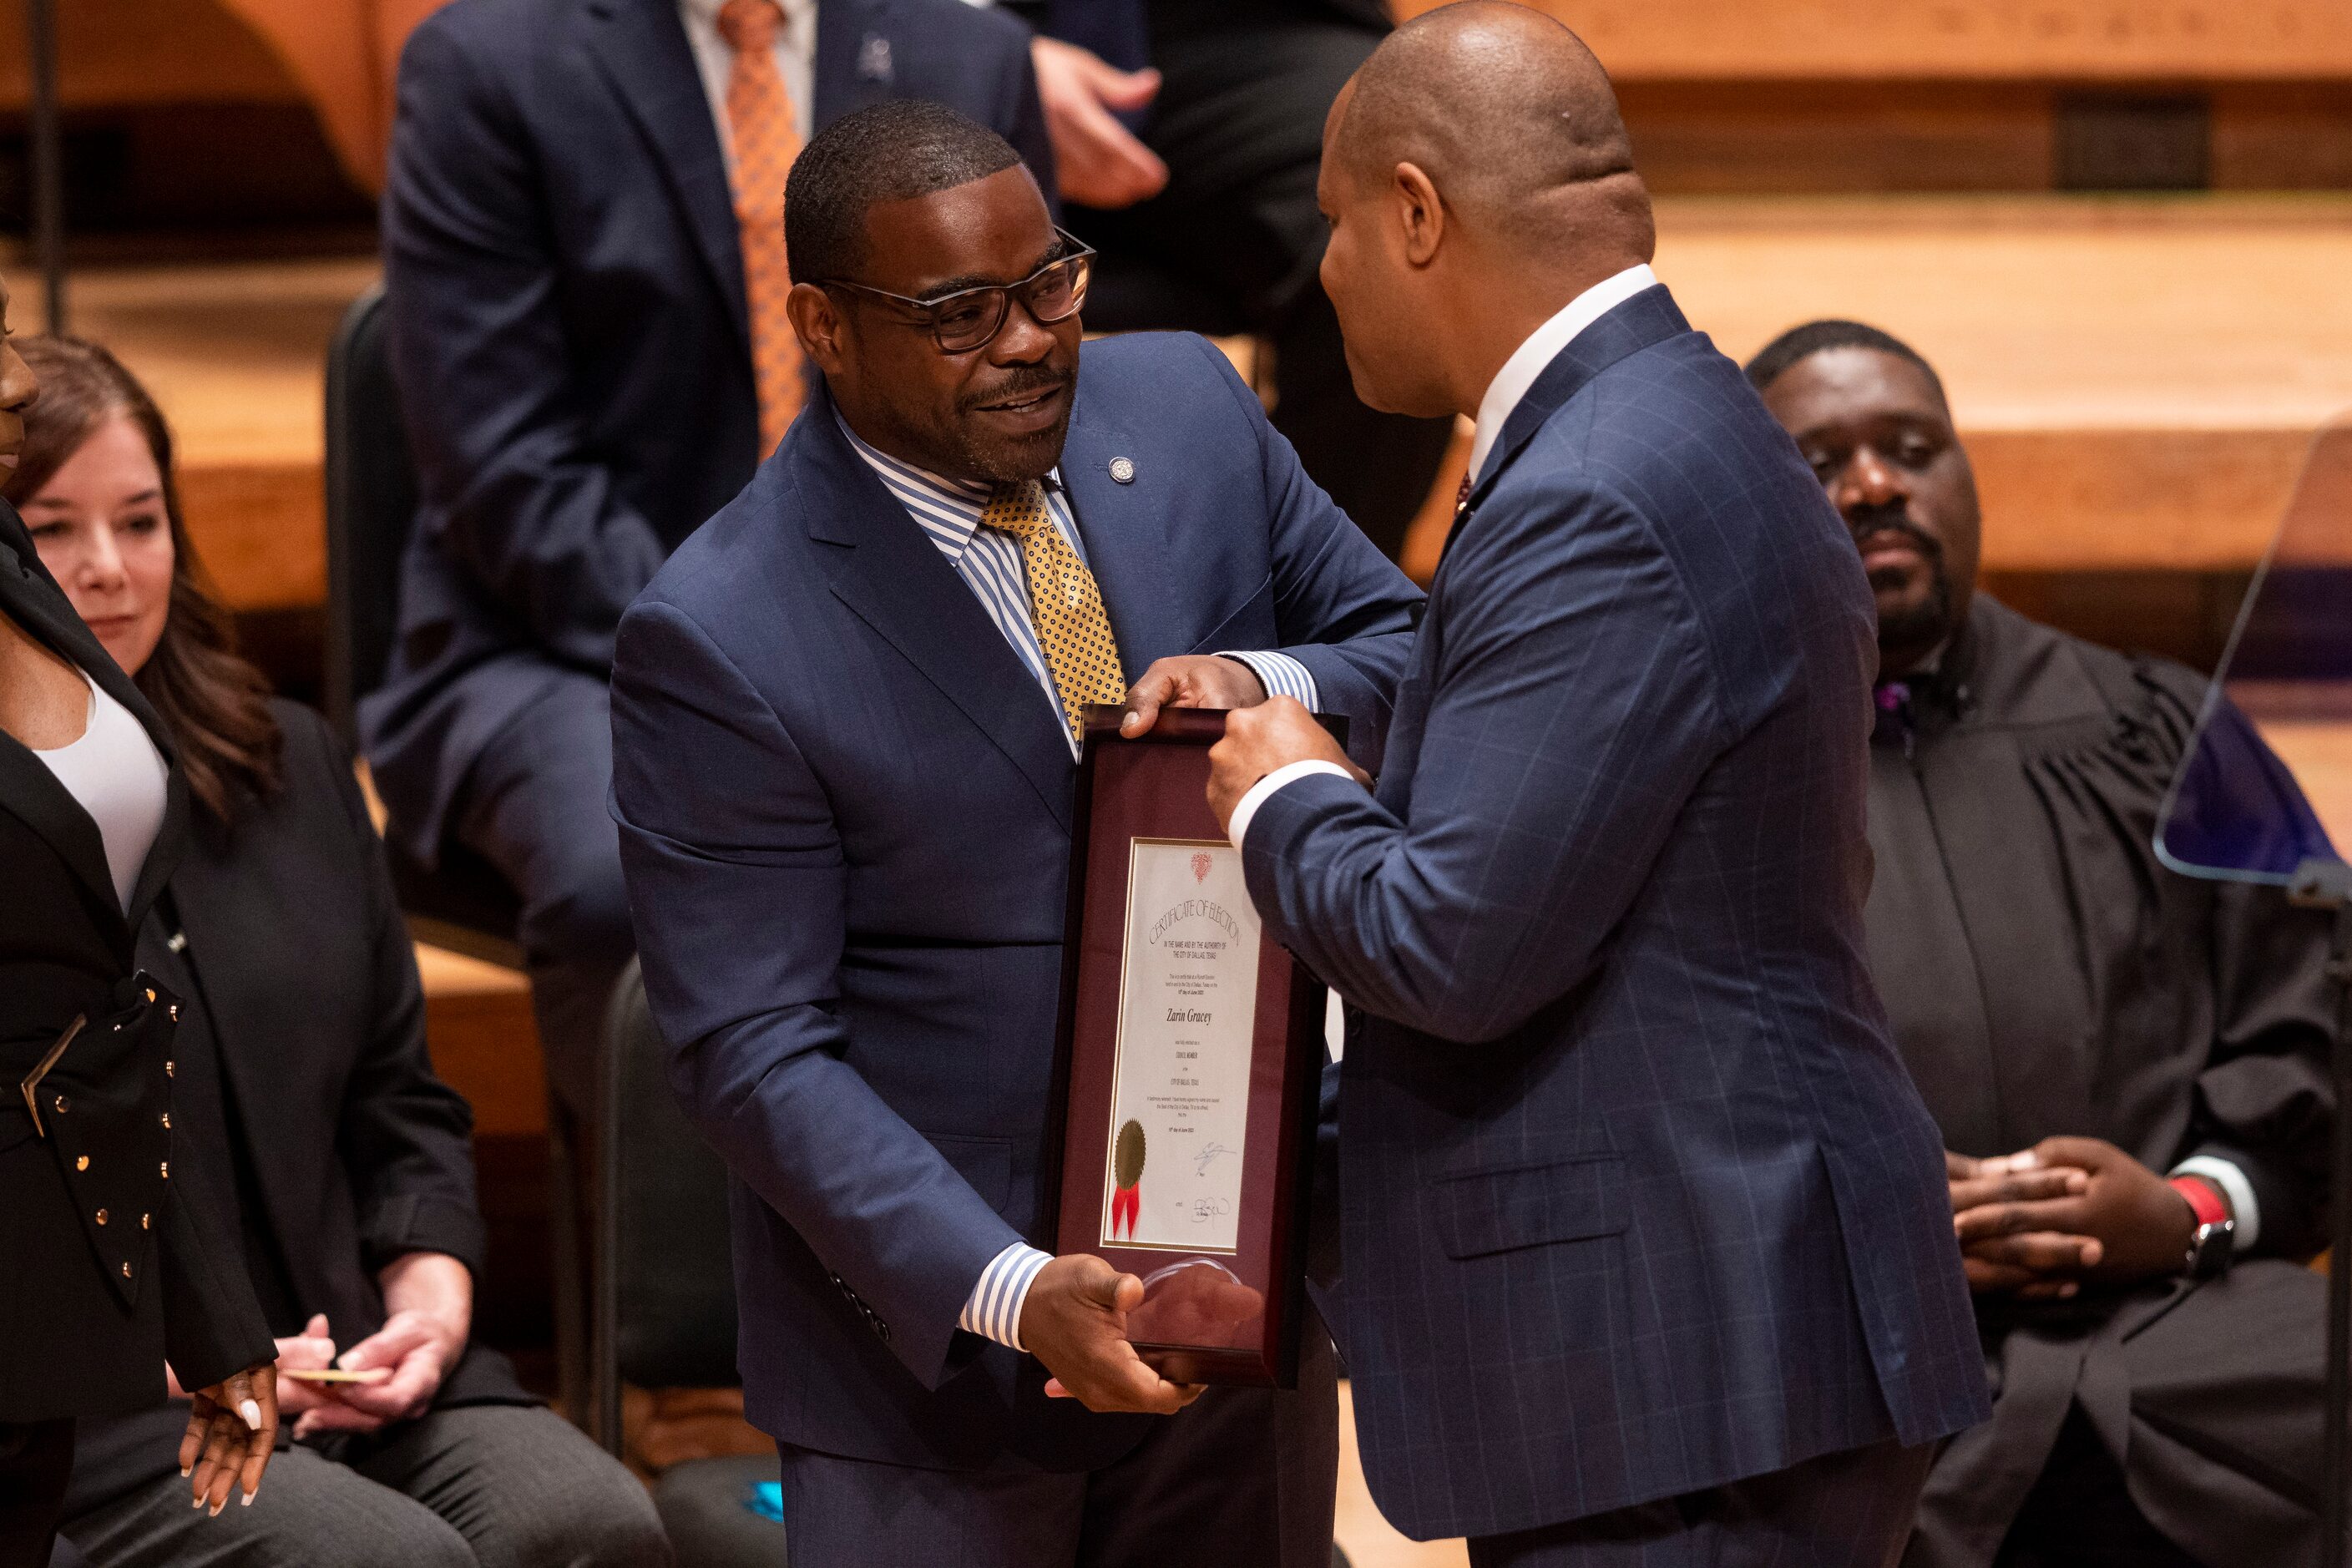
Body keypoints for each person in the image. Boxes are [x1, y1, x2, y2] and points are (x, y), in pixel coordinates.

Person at [1199, 9, 1991, 1565]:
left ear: (1417, 213)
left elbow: (1448, 945)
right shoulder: (1664, 421)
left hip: (1690, 1361)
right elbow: (1538, 695)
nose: (1330, 268)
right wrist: (1290, 683)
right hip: (1718, 1331)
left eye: (1336, 223)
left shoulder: (1594, 491)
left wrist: (1274, 795)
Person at [609, 100, 1422, 1565]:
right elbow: (754, 1050)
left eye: (1050, 280)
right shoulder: (723, 634)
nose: (1032, 338)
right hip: (939, 1380)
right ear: (823, 324)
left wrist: (1260, 681)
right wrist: (1008, 1283)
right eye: (960, 312)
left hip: (1236, 1291)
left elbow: (1406, 640)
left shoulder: (1184, 408)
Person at [10, 337, 672, 1568]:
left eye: (141, 521)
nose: (106, 570)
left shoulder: (292, 763)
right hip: (113, 1416)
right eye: (52, 529)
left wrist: (428, 1298)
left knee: (591, 1525)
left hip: (359, 1362)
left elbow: (398, 1092)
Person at [364, 0, 1055, 1115]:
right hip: (559, 641)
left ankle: (979, 1244)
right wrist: (767, 659)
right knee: (632, 871)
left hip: (904, 620)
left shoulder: (968, 55)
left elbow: (1006, 409)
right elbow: (506, 472)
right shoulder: (488, 64)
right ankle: (678, 1279)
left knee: (1077, 815)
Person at [1750, 318, 2339, 1568]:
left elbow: (2317, 1043)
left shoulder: (2157, 730)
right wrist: (1869, 1239)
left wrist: (2182, 1211)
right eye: (1818, 462)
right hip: (1867, 1370)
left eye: (1914, 447)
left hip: (2191, 1331)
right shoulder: (1708, 774)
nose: (1873, 484)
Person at [0, 308, 278, 1563]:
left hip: (44, 1289)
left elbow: (99, 998)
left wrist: (210, 1311)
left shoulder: (6, 554)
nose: (13, 376)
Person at [1013, 0, 1458, 560]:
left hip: (1235, 35)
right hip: (940, 31)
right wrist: (985, 49)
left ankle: (1325, 617)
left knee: (1405, 220)